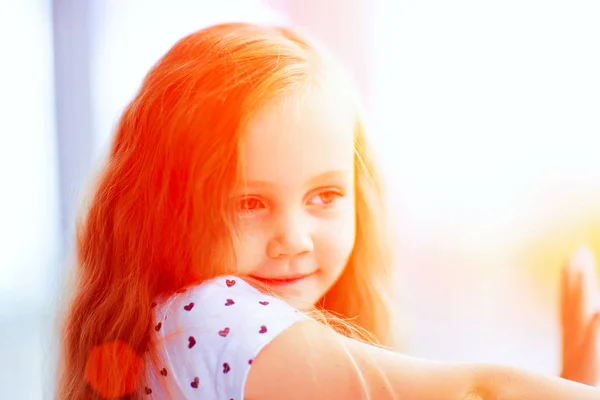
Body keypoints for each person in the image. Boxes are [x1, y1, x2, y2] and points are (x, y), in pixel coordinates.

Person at [54, 22, 600, 399]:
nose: (293, 237)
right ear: (165, 206)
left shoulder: (172, 332)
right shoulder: (215, 316)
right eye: (250, 203)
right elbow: (479, 391)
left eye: (325, 196)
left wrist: (575, 377)